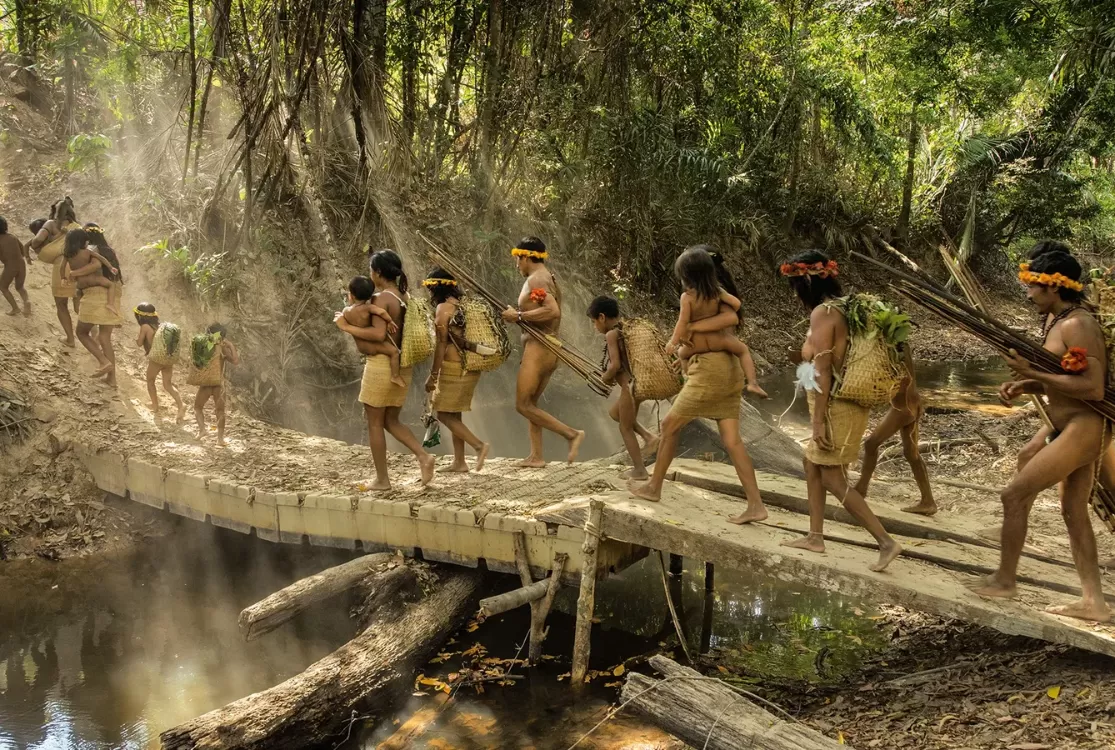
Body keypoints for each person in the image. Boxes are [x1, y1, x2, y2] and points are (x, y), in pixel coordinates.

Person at [973, 246, 1109, 622]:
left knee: (1013, 494)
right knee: (1073, 513)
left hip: (1085, 427)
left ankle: (1005, 580)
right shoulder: (1055, 321)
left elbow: (1093, 387)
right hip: (1066, 424)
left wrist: (1035, 376)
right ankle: (1093, 602)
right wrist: (1026, 386)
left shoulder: (1078, 323)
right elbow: (1063, 381)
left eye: (1033, 287)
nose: (1028, 293)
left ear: (1054, 287)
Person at [779, 250, 902, 573]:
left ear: (805, 282)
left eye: (794, 286)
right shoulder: (846, 306)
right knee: (811, 463)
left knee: (833, 477)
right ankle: (815, 536)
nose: (793, 294)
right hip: (840, 400)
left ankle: (885, 541)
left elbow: (821, 368)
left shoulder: (823, 312)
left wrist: (817, 421)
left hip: (834, 404)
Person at [629, 245, 768, 524]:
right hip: (728, 370)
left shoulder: (694, 297)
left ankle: (654, 487)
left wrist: (677, 341)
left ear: (686, 276)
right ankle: (756, 505)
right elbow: (730, 317)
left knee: (668, 426)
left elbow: (692, 325)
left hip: (710, 371)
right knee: (732, 440)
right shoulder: (718, 294)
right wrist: (684, 353)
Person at [335, 249, 435, 489]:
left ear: (378, 273)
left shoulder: (381, 299)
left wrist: (346, 327)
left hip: (381, 365)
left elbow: (379, 334)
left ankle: (382, 480)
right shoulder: (403, 295)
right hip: (399, 365)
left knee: (374, 423)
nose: (370, 275)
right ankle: (424, 456)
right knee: (391, 420)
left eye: (371, 270)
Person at [499, 237, 585, 467]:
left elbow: (552, 311)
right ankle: (536, 456)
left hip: (539, 348)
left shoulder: (538, 279)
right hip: (547, 347)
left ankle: (571, 434)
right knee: (531, 405)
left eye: (518, 260)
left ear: (525, 256)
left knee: (522, 405)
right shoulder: (548, 277)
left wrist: (517, 316)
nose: (517, 265)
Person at [667, 252, 768, 399]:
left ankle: (688, 382)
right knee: (743, 350)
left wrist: (673, 342)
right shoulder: (717, 291)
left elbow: (682, 322)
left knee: (682, 355)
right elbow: (737, 304)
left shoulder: (686, 298)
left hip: (697, 343)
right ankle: (753, 383)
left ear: (685, 277)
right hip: (719, 339)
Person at [854, 343, 936, 515]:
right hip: (913, 403)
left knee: (870, 444)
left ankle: (861, 489)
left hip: (903, 408)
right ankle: (928, 501)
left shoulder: (894, 347)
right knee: (911, 454)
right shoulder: (901, 344)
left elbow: (896, 379)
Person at [423, 267, 492, 472]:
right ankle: (460, 462)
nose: (429, 292)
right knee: (455, 414)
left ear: (437, 288)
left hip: (452, 367)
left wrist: (433, 375)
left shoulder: (443, 309)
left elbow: (441, 345)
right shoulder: (466, 305)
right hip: (470, 366)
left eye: (430, 287)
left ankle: (479, 446)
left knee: (444, 415)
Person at [588, 295, 660, 480]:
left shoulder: (612, 334)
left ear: (602, 317)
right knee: (615, 413)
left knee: (624, 428)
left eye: (594, 321)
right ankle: (649, 436)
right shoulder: (624, 329)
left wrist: (605, 377)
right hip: (637, 384)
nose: (595, 327)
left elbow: (615, 365)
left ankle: (639, 470)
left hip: (630, 387)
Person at [61, 228, 123, 386]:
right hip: (111, 291)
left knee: (81, 332)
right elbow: (102, 266)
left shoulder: (84, 251)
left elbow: (93, 266)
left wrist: (71, 274)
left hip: (93, 294)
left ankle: (103, 361)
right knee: (105, 338)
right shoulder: (105, 250)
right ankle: (112, 379)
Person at [28, 198, 80, 347]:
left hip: (61, 266)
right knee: (79, 303)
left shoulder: (51, 224)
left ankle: (70, 339)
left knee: (61, 305)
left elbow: (37, 240)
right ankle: (93, 334)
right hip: (79, 265)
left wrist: (42, 245)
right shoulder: (77, 227)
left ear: (54, 210)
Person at [341, 276, 405, 388]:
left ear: (352, 295)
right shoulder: (368, 308)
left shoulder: (346, 311)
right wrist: (389, 321)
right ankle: (395, 376)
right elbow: (381, 312)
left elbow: (344, 322)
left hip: (362, 347)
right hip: (374, 346)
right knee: (394, 352)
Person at [134, 302, 186, 423]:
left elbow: (139, 343)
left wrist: (136, 339)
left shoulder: (145, 327)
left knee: (150, 381)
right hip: (167, 359)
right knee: (168, 384)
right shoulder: (160, 326)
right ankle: (181, 405)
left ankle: (155, 406)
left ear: (140, 316)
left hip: (156, 359)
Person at [194, 323, 241, 445]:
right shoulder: (222, 348)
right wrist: (230, 345)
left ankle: (202, 430)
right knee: (220, 411)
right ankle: (220, 439)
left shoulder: (204, 345)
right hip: (219, 384)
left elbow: (197, 363)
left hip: (206, 383)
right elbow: (235, 361)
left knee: (198, 407)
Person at [65, 222, 121, 316]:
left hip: (94, 287)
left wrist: (74, 273)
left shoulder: (90, 249)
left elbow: (95, 265)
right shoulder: (108, 249)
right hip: (112, 285)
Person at [0, 216, 30, 317]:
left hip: (10, 266)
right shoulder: (12, 236)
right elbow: (22, 250)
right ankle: (27, 301)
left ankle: (15, 308)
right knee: (20, 287)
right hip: (21, 264)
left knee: (3, 287)